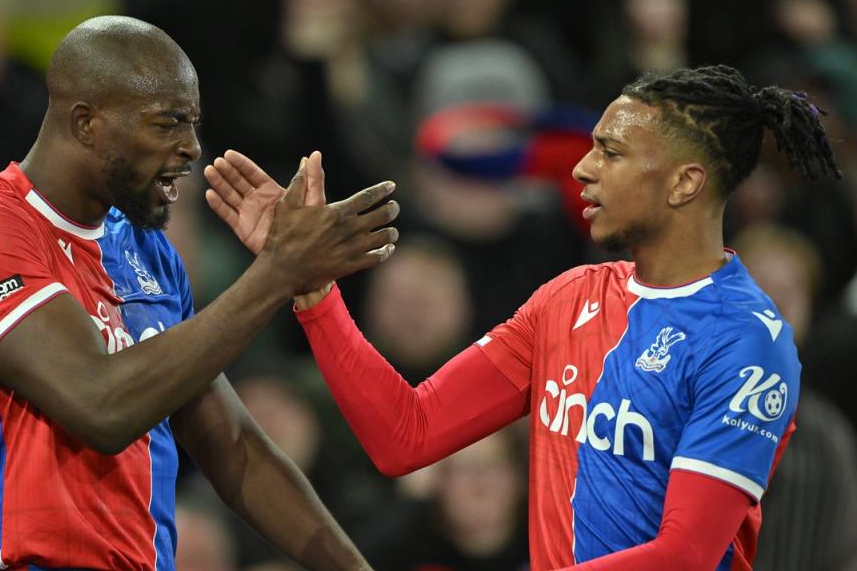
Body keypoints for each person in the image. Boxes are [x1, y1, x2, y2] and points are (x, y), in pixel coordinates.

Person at [206, 64, 842, 570]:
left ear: (684, 184)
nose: (582, 169)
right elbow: (407, 434)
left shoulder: (747, 344)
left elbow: (685, 556)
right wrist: (312, 285)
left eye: (612, 153)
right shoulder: (566, 299)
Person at [0, 16, 399, 571]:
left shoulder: (146, 252)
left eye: (192, 124)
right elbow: (100, 405)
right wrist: (277, 273)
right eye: (167, 123)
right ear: (86, 122)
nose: (191, 148)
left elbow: (233, 445)